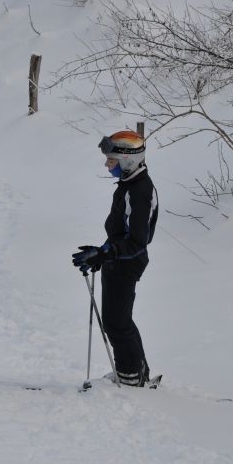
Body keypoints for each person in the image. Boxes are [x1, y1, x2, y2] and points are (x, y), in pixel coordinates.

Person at [72, 130, 159, 386]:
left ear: (128, 160)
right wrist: (102, 252)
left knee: (116, 323)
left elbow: (137, 240)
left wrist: (106, 252)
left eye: (111, 160)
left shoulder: (139, 190)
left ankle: (130, 377)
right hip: (120, 259)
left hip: (128, 262)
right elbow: (122, 232)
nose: (107, 165)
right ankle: (138, 371)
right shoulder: (130, 184)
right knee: (120, 319)